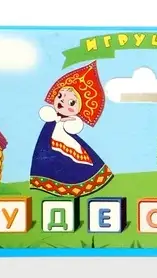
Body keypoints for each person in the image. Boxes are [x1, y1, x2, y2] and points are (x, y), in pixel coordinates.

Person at [29, 61, 113, 196]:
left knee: (71, 160)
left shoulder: (71, 124)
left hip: (65, 141)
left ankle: (72, 184)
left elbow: (73, 127)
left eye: (71, 102)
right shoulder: (50, 121)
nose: (62, 102)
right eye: (60, 96)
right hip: (49, 145)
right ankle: (47, 182)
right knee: (47, 158)